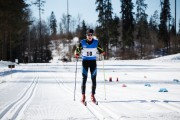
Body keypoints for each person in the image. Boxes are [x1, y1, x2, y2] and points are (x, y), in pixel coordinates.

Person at [75, 29, 105, 103]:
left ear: (92, 35)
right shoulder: (82, 42)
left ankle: (92, 95)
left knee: (93, 79)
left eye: (91, 35)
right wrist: (76, 54)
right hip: (85, 62)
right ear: (86, 35)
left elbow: (101, 50)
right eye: (88, 35)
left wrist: (103, 52)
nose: (90, 36)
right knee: (84, 78)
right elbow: (77, 50)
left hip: (93, 63)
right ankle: (83, 96)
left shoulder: (96, 42)